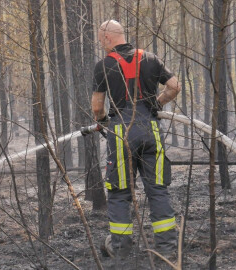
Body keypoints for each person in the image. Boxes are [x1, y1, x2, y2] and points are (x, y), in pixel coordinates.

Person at [91, 20, 182, 258]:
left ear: (108, 38)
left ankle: (120, 252)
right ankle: (166, 252)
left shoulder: (104, 65)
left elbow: (97, 107)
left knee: (120, 193)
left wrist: (101, 121)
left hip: (121, 135)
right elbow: (174, 86)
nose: (102, 45)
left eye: (101, 40)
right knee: (158, 190)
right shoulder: (150, 58)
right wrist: (155, 104)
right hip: (151, 131)